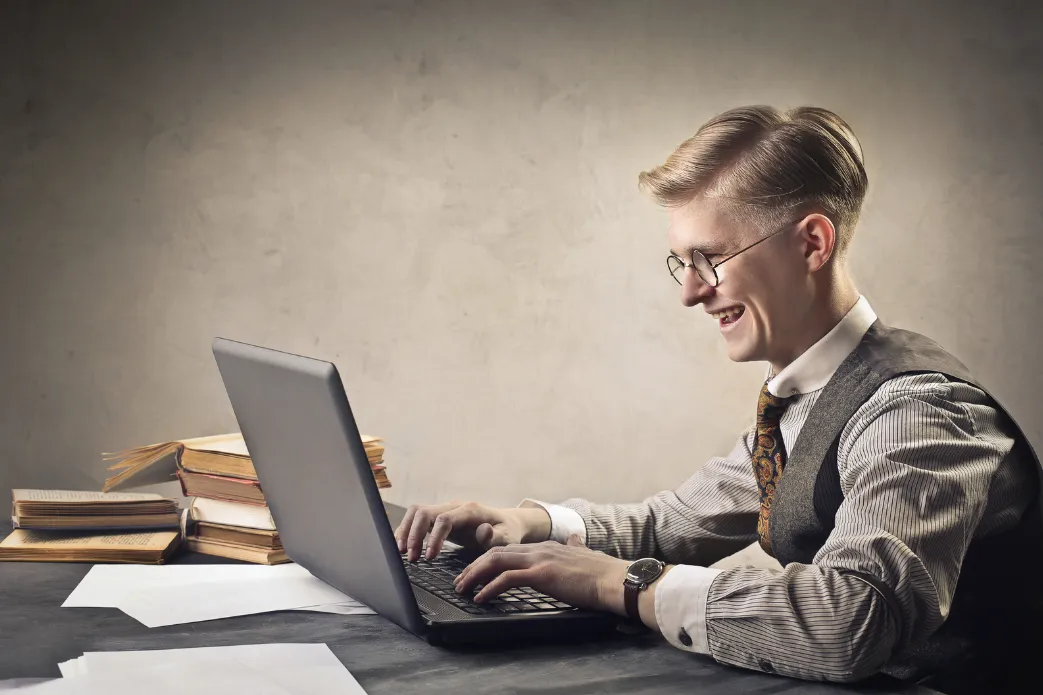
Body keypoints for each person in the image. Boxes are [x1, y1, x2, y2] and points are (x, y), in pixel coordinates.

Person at [394, 105, 1042, 694]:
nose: (690, 294)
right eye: (683, 263)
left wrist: (618, 582)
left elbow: (850, 617)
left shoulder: (915, 412)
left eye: (710, 258)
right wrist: (530, 523)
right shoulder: (803, 395)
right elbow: (674, 522)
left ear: (811, 242)